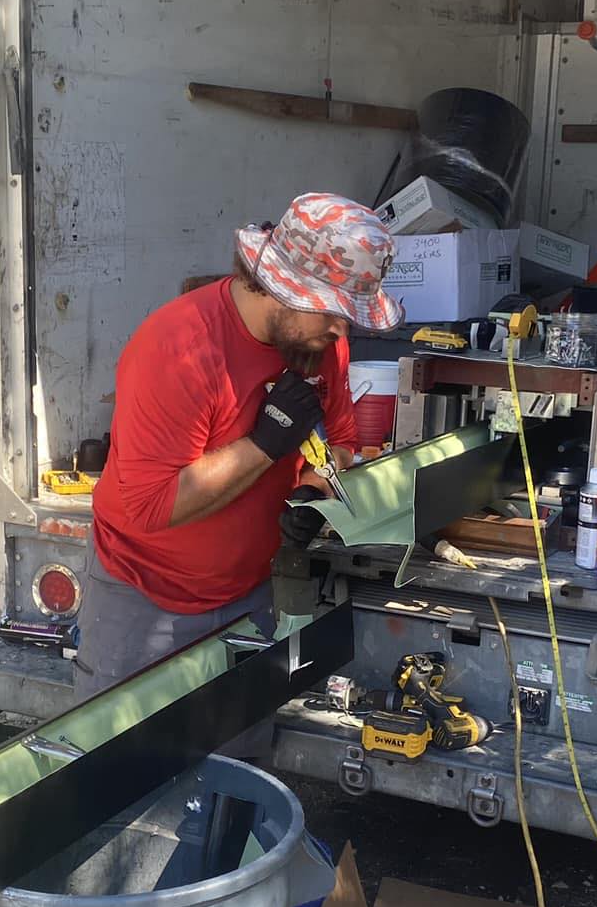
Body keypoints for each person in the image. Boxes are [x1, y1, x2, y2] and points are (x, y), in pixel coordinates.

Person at [74, 191, 404, 701]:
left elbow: (339, 442)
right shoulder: (179, 349)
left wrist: (314, 494)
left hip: (248, 594)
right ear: (280, 287)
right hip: (142, 595)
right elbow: (149, 505)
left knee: (238, 760)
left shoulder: (320, 344)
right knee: (125, 768)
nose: (344, 329)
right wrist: (266, 444)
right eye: (332, 310)